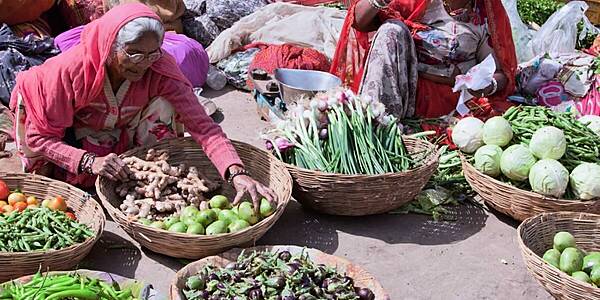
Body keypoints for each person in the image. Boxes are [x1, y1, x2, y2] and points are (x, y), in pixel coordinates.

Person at [8, 3, 277, 208]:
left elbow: (203, 126)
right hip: (57, 126)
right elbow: (40, 136)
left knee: (167, 106)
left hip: (114, 124)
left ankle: (132, 163)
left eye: (152, 53)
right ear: (110, 46)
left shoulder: (160, 68)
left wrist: (236, 172)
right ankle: (76, 168)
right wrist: (88, 161)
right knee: (45, 164)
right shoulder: (70, 72)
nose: (144, 62)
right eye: (134, 53)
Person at [331, 0, 517, 119]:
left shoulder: (485, 14)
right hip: (402, 88)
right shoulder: (418, 3)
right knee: (391, 30)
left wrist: (488, 84)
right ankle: (376, 122)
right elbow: (359, 20)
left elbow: (499, 72)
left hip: (445, 102)